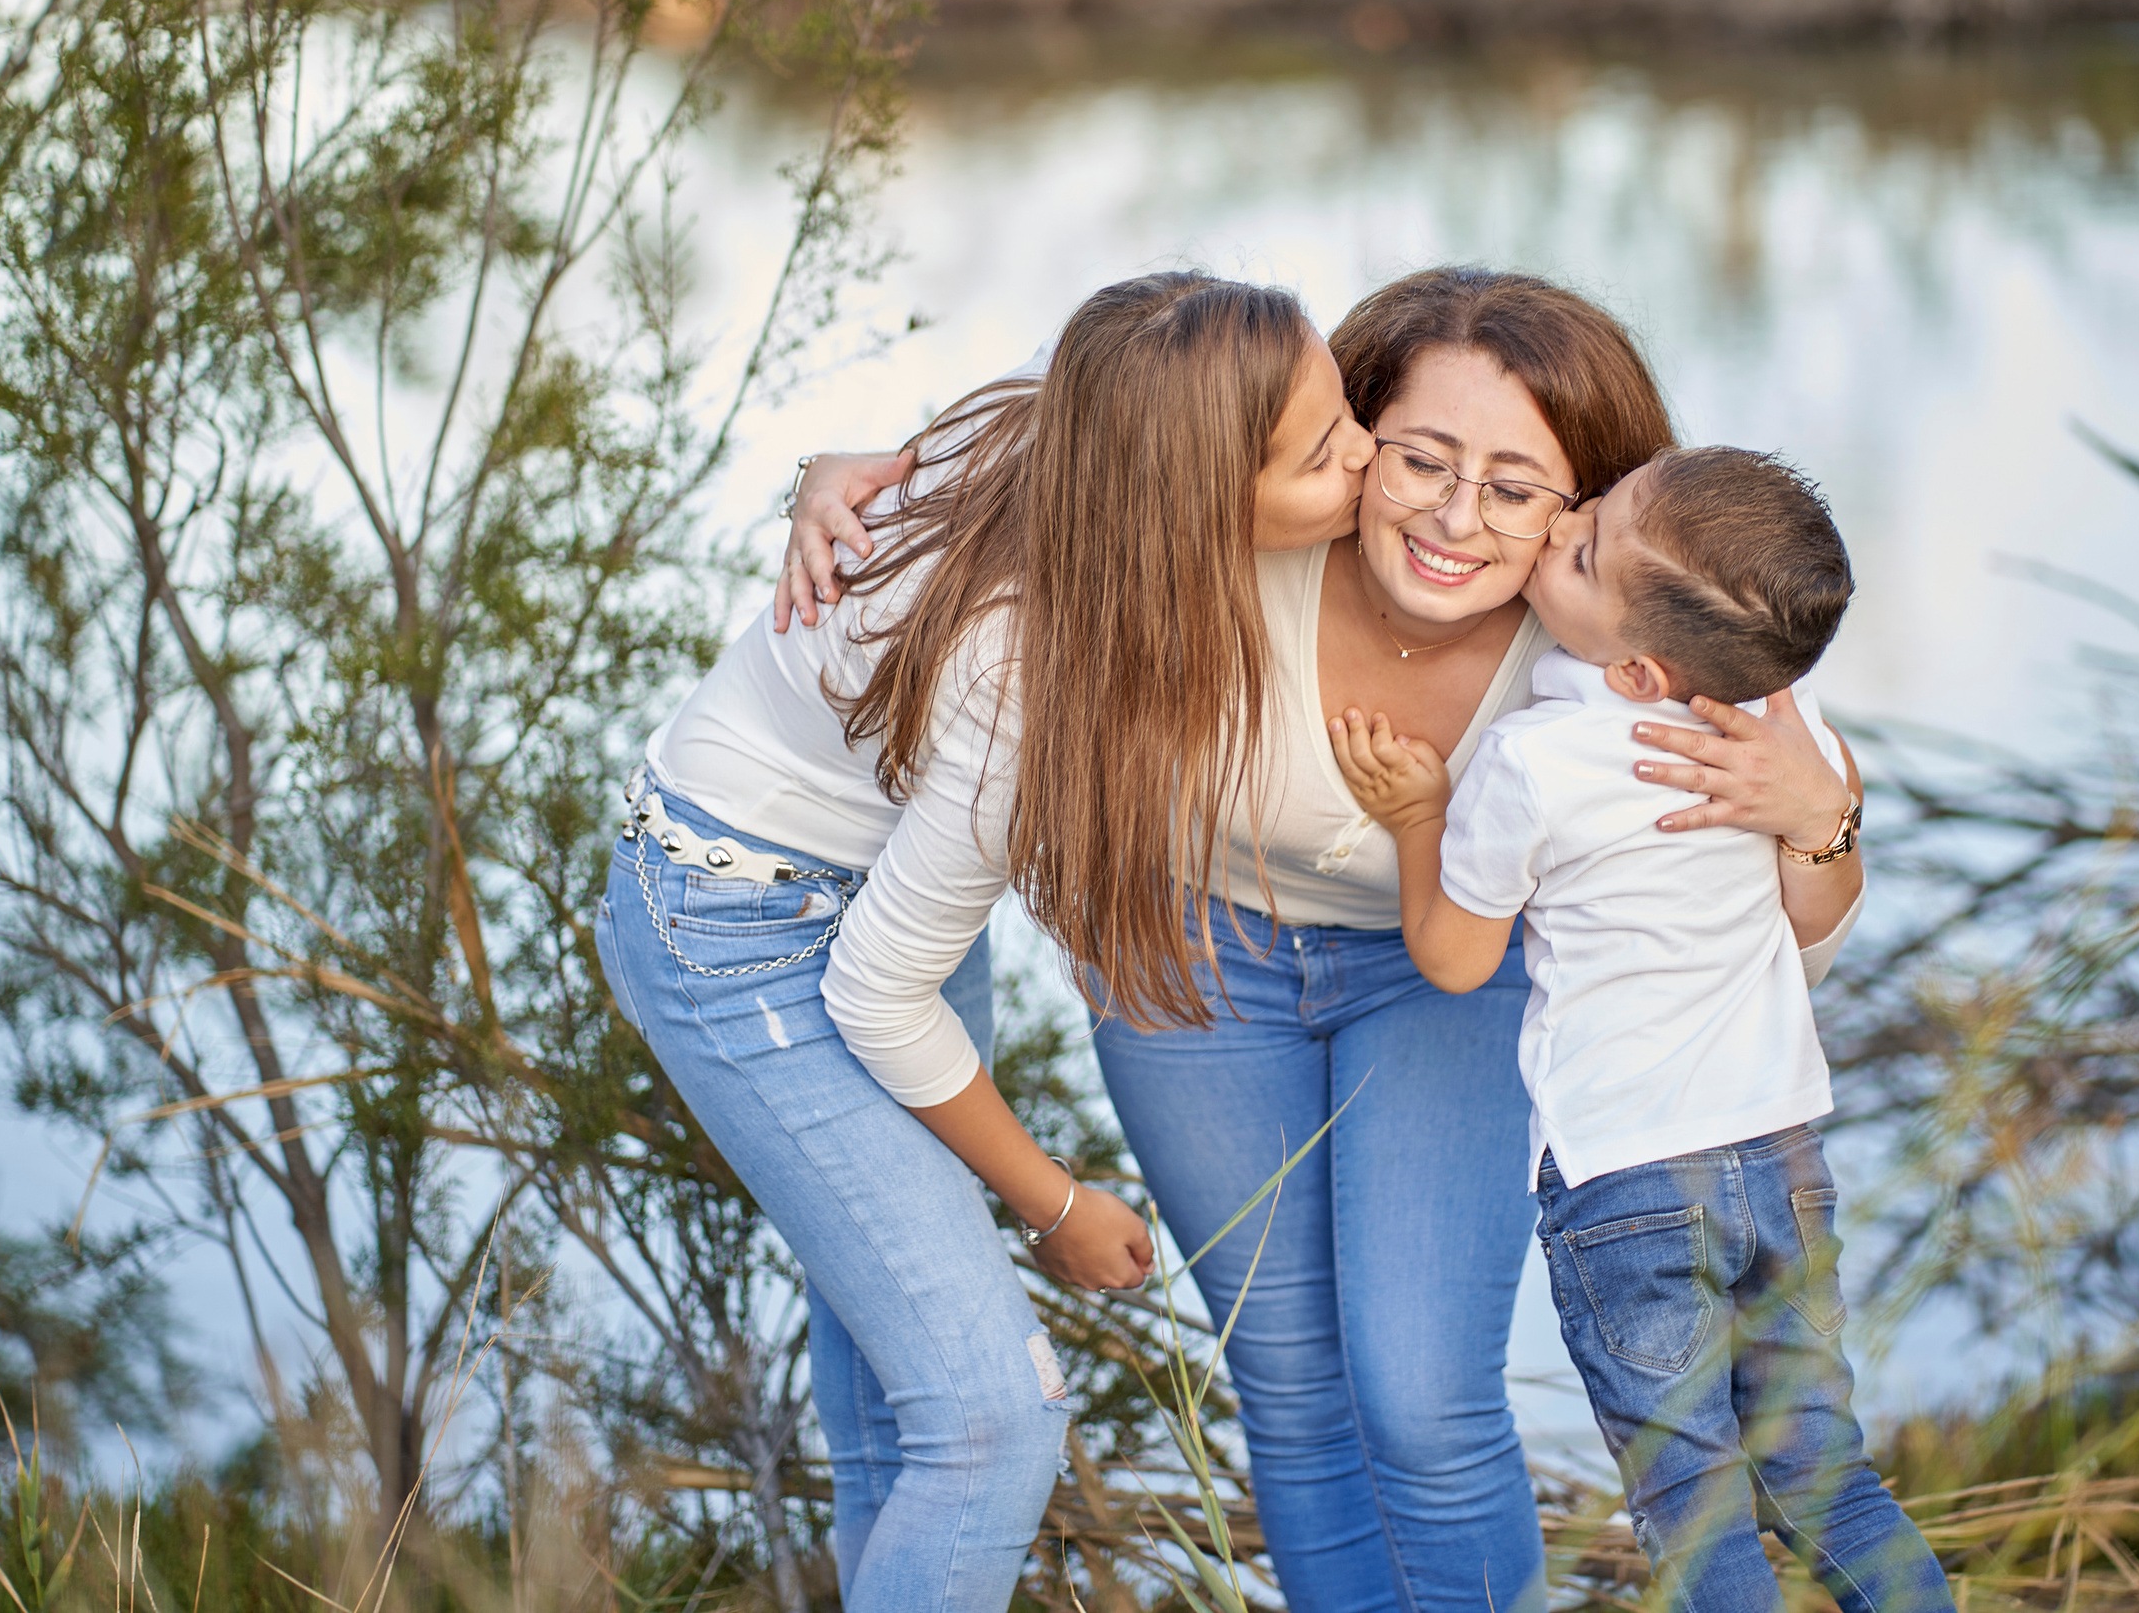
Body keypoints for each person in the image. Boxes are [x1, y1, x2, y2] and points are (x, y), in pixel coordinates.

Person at [781, 269, 1871, 1613]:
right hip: (1194, 964)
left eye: (1516, 488)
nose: (1455, 518)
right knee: (1290, 1388)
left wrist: (1820, 821)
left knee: (1422, 1396)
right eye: (1420, 459)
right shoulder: (1248, 528)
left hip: (1450, 982)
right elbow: (1101, 429)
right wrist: (839, 476)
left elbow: (1784, 951)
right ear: (1352, 433)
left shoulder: (1623, 649)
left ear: (1589, 505)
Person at [596, 270, 1379, 1611]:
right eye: (1321, 455)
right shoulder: (1028, 674)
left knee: (904, 1422)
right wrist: (1058, 1206)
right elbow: (879, 999)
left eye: (1346, 415)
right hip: (744, 933)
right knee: (993, 1422)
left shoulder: (1077, 415)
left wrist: (823, 467)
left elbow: (894, 460)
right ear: (1190, 502)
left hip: (884, 882)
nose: (1363, 452)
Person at [1329, 445, 1956, 1613]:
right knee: (1824, 1474)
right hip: (1782, 1155)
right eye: (1595, 505)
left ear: (1635, 672)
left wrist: (1418, 818)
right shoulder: (1783, 726)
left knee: (1695, 1507)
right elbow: (1824, 852)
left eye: (1581, 550)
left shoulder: (1535, 760)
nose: (1562, 521)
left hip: (1627, 1178)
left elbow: (1456, 959)